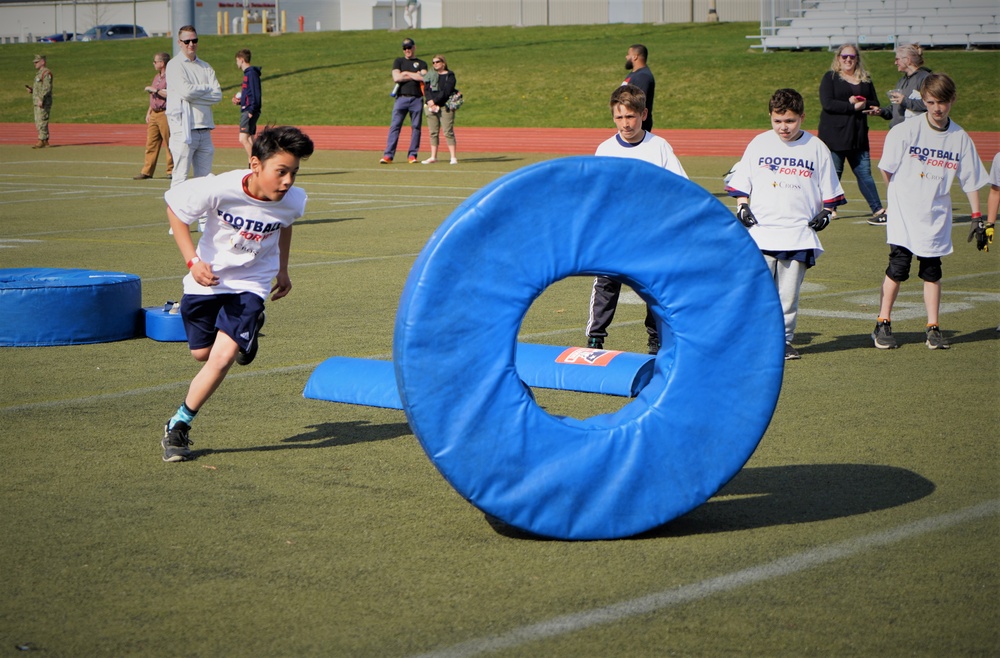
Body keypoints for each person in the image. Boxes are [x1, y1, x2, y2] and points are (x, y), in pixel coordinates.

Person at [160, 126, 315, 462]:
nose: (288, 181)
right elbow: (175, 209)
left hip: (251, 284)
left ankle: (179, 424)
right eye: (281, 172)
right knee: (202, 355)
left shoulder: (294, 200)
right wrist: (193, 261)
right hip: (208, 279)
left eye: (294, 173)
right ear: (255, 164)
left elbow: (285, 223)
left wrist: (283, 269)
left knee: (221, 358)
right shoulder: (220, 187)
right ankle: (248, 334)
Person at [726, 88, 846, 360]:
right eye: (778, 121)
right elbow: (742, 182)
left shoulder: (816, 148)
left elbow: (830, 192)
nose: (784, 127)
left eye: (790, 121)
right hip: (762, 234)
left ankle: (784, 340)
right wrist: (742, 205)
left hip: (798, 236)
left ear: (802, 117)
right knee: (757, 293)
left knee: (787, 297)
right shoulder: (759, 143)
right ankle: (752, 340)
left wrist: (827, 211)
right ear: (770, 117)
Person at [873, 73, 989, 350]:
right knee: (898, 268)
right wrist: (899, 197)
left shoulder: (959, 137)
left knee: (932, 271)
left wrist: (977, 217)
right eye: (931, 102)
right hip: (904, 215)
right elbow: (886, 168)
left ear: (953, 101)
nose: (937, 108)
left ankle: (933, 327)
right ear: (923, 101)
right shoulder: (906, 131)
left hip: (935, 215)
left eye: (943, 102)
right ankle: (883, 322)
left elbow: (971, 179)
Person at [586, 84, 688, 355]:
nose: (625, 123)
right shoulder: (605, 149)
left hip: (651, 236)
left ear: (644, 114)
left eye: (630, 116)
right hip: (613, 235)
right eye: (619, 117)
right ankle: (596, 337)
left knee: (653, 288)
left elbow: (681, 189)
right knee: (606, 285)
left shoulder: (659, 147)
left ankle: (655, 340)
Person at [817, 44, 885, 225]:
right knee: (834, 173)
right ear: (838, 58)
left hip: (858, 135)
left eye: (852, 57)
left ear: (857, 59)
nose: (848, 60)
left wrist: (865, 104)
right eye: (844, 56)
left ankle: (878, 209)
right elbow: (828, 104)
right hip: (835, 135)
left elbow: (874, 101)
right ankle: (829, 208)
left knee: (865, 173)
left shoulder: (865, 79)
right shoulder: (830, 77)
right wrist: (850, 105)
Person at [166, 25, 222, 191]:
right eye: (187, 41)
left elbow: (217, 95)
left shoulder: (205, 66)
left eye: (194, 40)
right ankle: (177, 216)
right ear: (180, 42)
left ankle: (204, 218)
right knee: (180, 177)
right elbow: (186, 92)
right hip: (183, 129)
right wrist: (206, 88)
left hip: (204, 129)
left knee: (204, 180)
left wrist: (195, 92)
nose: (191, 44)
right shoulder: (174, 65)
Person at [381, 38, 427, 165]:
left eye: (409, 47)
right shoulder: (398, 61)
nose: (407, 50)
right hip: (401, 98)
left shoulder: (422, 63)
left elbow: (423, 77)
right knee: (395, 126)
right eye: (405, 48)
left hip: (417, 98)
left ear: (414, 47)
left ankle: (412, 155)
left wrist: (406, 74)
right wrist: (412, 74)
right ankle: (388, 155)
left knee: (416, 127)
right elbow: (397, 77)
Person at [134, 52, 173, 180]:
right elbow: (153, 96)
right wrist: (149, 111)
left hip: (165, 113)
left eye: (155, 62)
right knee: (151, 143)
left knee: (170, 143)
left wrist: (155, 90)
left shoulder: (171, 77)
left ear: (162, 63)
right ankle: (147, 171)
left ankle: (171, 170)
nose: (154, 64)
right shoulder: (157, 77)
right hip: (155, 114)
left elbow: (171, 94)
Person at [878, 43, 931, 129]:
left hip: (915, 132)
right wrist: (881, 111)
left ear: (907, 60)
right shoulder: (901, 81)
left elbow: (929, 104)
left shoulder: (925, 78)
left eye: (897, 59)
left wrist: (904, 100)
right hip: (898, 131)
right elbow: (896, 108)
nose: (895, 63)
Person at [421, 55, 458, 165]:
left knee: (448, 131)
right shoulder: (430, 75)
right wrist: (429, 101)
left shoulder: (450, 75)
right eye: (433, 62)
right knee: (433, 132)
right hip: (431, 106)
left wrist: (435, 101)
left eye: (437, 62)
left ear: (443, 63)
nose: (435, 64)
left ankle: (453, 157)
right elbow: (426, 90)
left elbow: (447, 91)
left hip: (444, 106)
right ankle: (433, 156)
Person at [232, 48, 262, 164]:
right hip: (248, 108)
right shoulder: (248, 74)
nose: (237, 63)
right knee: (250, 138)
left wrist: (251, 109)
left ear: (241, 60)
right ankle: (255, 163)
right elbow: (248, 95)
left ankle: (255, 164)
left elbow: (256, 93)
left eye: (237, 60)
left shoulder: (251, 74)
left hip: (249, 111)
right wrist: (240, 101)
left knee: (243, 138)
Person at [622, 44, 654, 133]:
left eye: (628, 54)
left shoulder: (643, 76)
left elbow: (638, 102)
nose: (626, 57)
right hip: (628, 123)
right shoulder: (634, 74)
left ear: (635, 57)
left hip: (637, 126)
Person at [26, 54, 53, 149]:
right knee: (38, 120)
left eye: (37, 62)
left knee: (42, 120)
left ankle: (41, 139)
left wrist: (41, 98)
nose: (35, 64)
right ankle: (44, 140)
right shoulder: (39, 73)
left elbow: (46, 87)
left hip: (44, 101)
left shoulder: (45, 73)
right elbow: (40, 88)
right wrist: (32, 90)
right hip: (38, 101)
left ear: (43, 62)